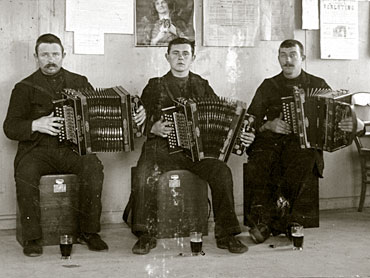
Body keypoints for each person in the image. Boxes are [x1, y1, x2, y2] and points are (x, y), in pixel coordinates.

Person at [3, 34, 144, 257]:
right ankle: (32, 238)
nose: (50, 59)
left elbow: (96, 113)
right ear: (36, 57)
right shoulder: (24, 87)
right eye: (44, 55)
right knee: (25, 172)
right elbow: (10, 127)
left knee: (93, 167)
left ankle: (89, 232)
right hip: (38, 150)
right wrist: (35, 124)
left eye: (55, 54)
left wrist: (133, 112)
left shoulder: (79, 81)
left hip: (72, 150)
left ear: (63, 56)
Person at [130, 37, 255, 255]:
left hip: (196, 152)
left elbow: (221, 117)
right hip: (163, 147)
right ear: (167, 57)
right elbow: (139, 118)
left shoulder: (202, 85)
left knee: (221, 171)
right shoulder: (154, 85)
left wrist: (239, 134)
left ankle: (227, 235)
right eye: (175, 53)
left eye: (185, 53)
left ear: (193, 58)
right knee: (144, 171)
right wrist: (152, 127)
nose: (180, 58)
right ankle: (145, 234)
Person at [244, 39, 357, 244]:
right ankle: (286, 222)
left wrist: (354, 125)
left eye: (292, 55)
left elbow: (338, 117)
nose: (287, 60)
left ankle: (271, 223)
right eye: (283, 55)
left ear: (302, 58)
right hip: (272, 143)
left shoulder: (318, 85)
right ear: (278, 58)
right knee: (259, 159)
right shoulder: (268, 86)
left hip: (302, 145)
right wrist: (269, 125)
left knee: (305, 157)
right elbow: (251, 119)